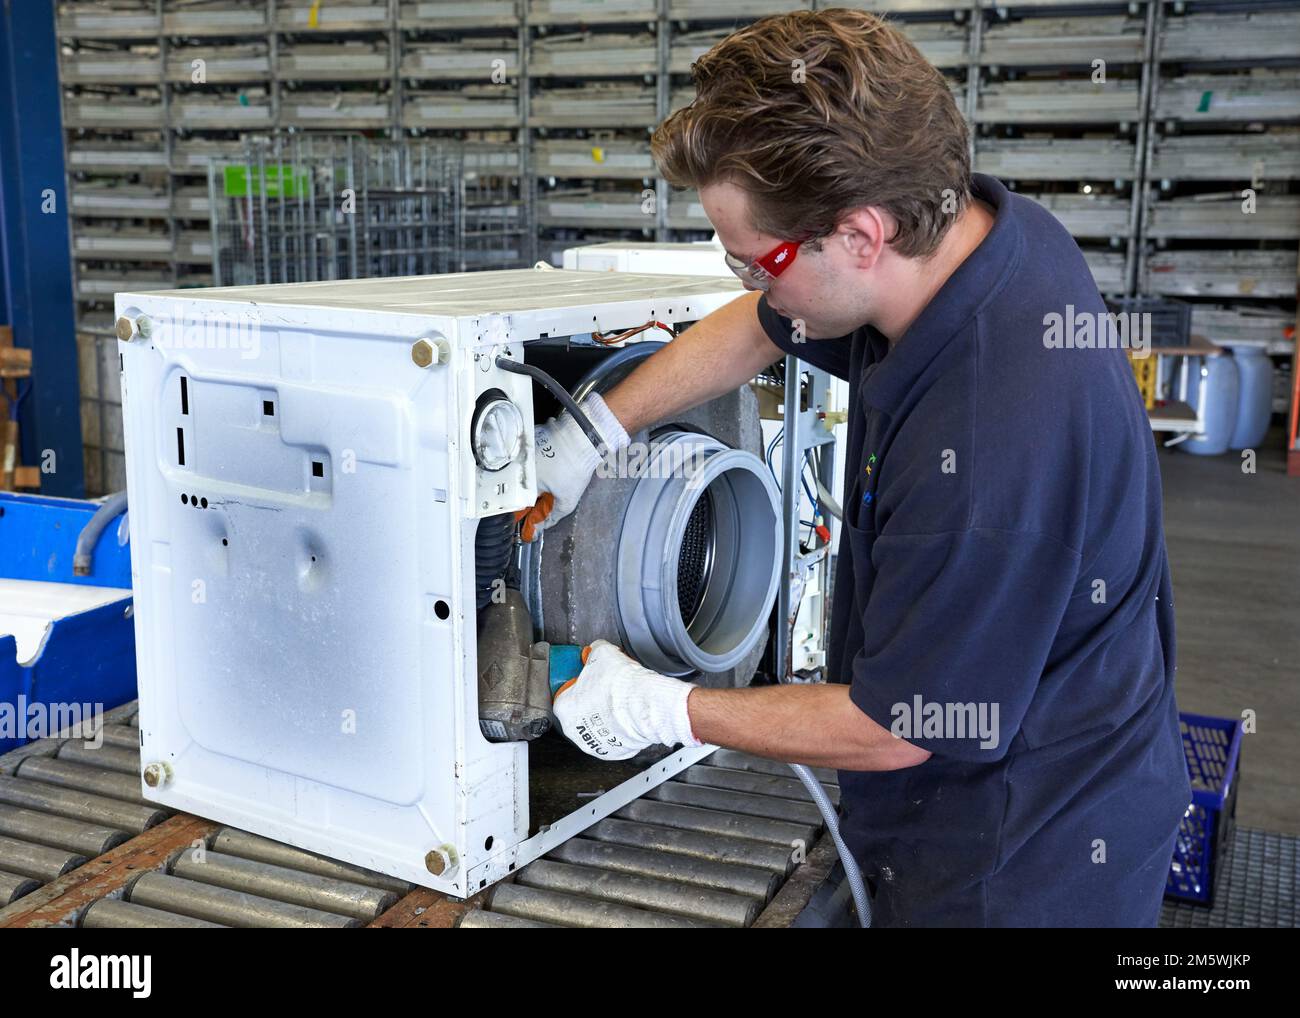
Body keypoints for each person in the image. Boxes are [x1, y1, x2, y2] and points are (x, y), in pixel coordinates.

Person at [517, 8, 1192, 928]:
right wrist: (593, 429)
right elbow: (757, 330)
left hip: (1021, 860)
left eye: (758, 262)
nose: (750, 282)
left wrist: (663, 708)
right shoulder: (977, 239)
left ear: (863, 236)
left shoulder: (992, 438)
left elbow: (894, 726)